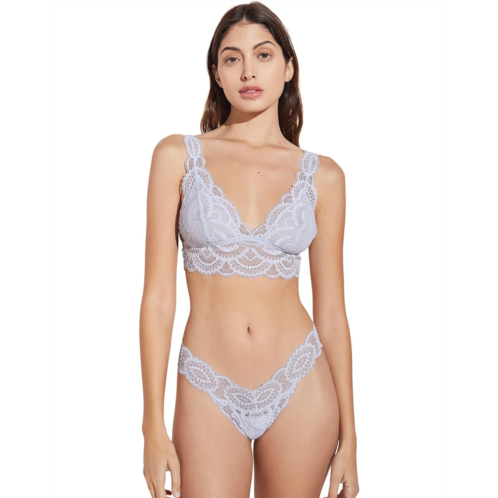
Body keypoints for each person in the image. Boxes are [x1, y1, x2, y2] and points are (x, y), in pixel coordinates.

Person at [140, 2, 359, 497]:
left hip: (301, 381)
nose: (248, 71)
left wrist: (350, 436)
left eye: (263, 55)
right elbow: (157, 299)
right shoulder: (177, 156)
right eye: (232, 58)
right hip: (208, 383)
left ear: (288, 68)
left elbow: (331, 310)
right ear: (216, 73)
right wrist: (152, 423)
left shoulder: (324, 176)